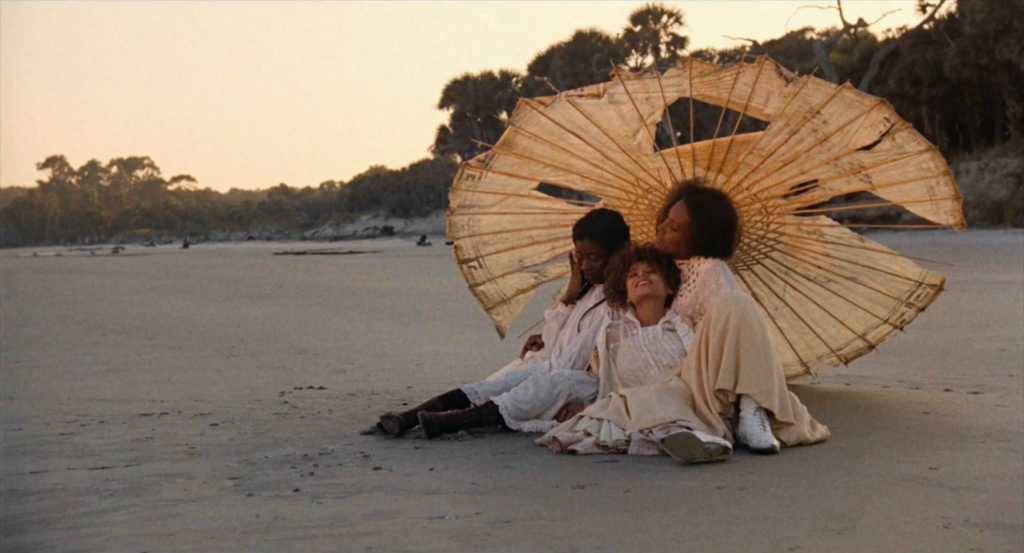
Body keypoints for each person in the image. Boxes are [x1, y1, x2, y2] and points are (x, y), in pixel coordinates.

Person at [374, 208, 631, 439]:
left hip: (588, 384)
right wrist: (569, 297)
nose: (584, 266)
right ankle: (408, 417)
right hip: (554, 369)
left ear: (619, 253)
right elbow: (553, 347)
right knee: (498, 384)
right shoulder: (587, 294)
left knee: (538, 387)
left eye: (593, 258)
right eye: (579, 257)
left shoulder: (625, 303)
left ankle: (447, 422)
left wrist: (590, 406)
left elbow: (596, 364)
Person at [652, 178, 829, 452]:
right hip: (660, 364)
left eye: (674, 227)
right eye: (666, 219)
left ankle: (751, 409)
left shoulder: (710, 270)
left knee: (737, 303)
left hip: (702, 367)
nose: (662, 228)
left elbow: (732, 337)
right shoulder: (651, 263)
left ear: (700, 238)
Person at [538, 243, 735, 463]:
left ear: (669, 287)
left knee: (668, 393)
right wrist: (588, 406)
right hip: (638, 405)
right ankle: (681, 437)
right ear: (627, 294)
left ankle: (689, 435)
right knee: (624, 401)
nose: (641, 276)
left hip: (687, 399)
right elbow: (605, 383)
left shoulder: (687, 327)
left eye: (651, 272)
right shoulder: (612, 335)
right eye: (633, 275)